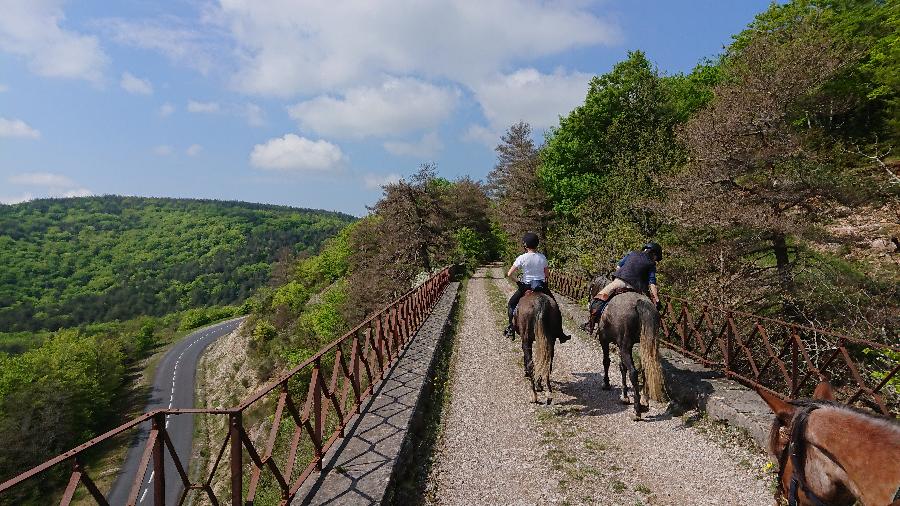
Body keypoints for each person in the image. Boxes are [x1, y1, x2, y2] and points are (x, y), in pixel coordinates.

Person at [504, 233, 570, 342]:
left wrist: (519, 282)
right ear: (537, 244)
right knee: (556, 307)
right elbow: (547, 275)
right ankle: (560, 332)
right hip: (541, 286)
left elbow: (509, 273)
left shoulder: (522, 258)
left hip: (526, 286)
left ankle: (511, 327)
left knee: (511, 304)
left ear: (525, 245)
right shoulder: (542, 257)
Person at [583, 243, 663, 331]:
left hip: (620, 283)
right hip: (637, 290)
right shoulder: (652, 264)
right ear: (653, 254)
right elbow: (652, 283)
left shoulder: (632, 253)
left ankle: (590, 324)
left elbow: (618, 267)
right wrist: (657, 299)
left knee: (598, 299)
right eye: (656, 258)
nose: (655, 260)